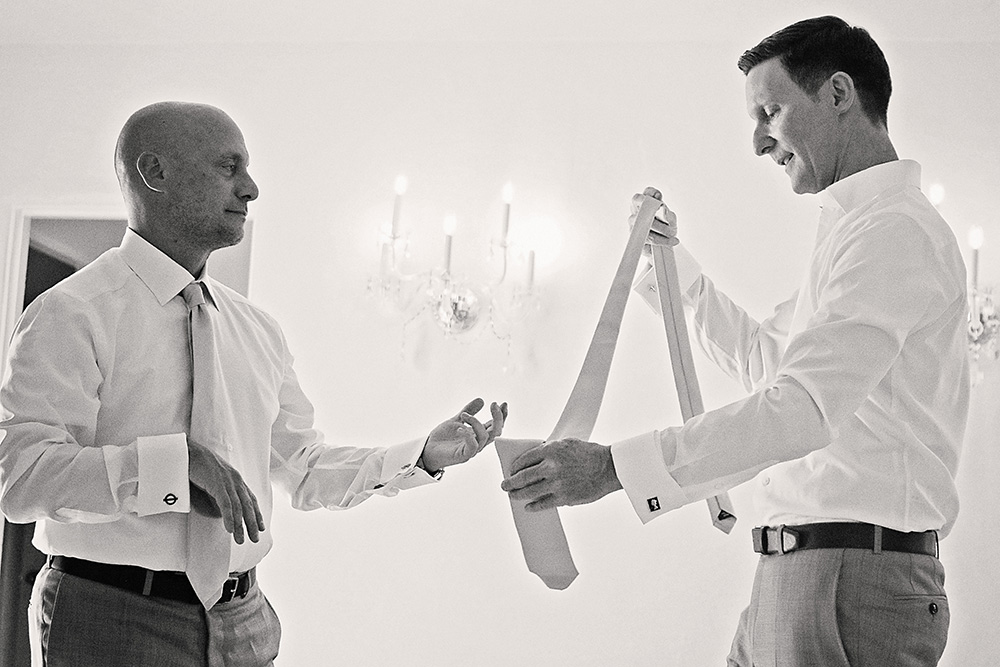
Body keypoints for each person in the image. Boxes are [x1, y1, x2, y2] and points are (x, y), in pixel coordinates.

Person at [502, 15, 967, 666]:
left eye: (770, 112)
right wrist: (674, 271)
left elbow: (800, 409)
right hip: (804, 573)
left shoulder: (893, 232)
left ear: (839, 93)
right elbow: (766, 364)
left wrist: (612, 467)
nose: (758, 142)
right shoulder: (856, 231)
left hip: (845, 579)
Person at [0, 100, 507, 667]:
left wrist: (422, 455)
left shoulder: (259, 331)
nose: (251, 188)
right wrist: (171, 467)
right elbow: (21, 477)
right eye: (228, 167)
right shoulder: (69, 314)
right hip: (110, 618)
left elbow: (304, 468)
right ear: (155, 172)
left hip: (246, 621)